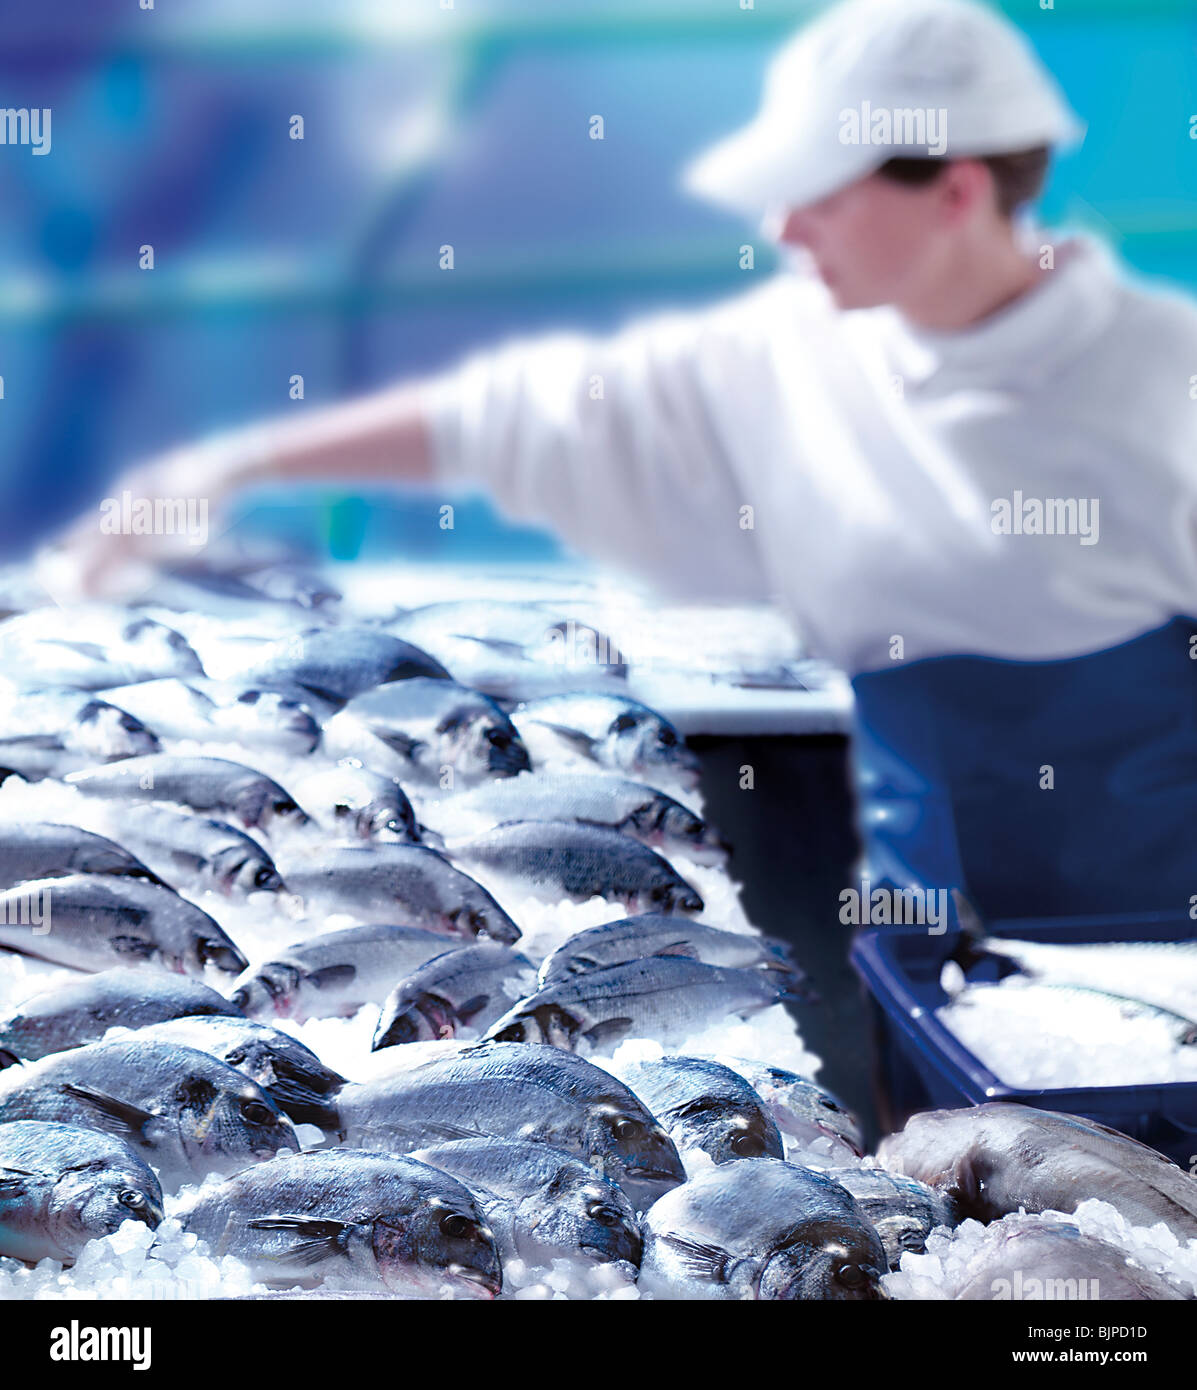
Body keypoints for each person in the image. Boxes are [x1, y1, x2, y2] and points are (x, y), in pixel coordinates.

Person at [55, 0, 1197, 921]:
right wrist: (234, 462)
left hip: (1155, 955)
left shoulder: (1164, 374)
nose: (785, 232)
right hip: (923, 933)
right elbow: (522, 413)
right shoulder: (799, 349)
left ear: (953, 192)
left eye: (819, 201)